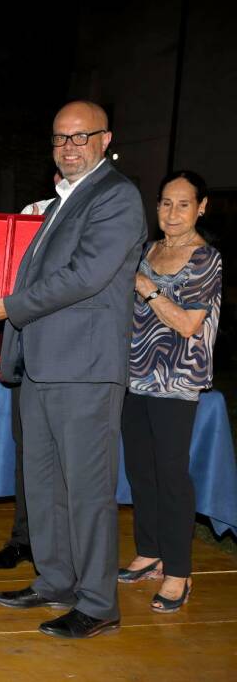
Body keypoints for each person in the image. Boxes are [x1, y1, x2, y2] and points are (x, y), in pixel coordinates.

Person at [0, 101, 145, 639]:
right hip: (44, 366)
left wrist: (7, 307)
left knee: (87, 490)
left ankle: (98, 603)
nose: (69, 147)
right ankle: (54, 580)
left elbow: (85, 276)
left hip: (86, 370)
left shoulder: (117, 196)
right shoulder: (59, 203)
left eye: (80, 137)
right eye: (60, 139)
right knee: (44, 485)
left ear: (104, 139)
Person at [118, 170, 220, 614]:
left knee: (172, 477)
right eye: (165, 202)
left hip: (177, 382)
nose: (172, 212)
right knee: (141, 471)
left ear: (201, 208)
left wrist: (147, 287)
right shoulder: (149, 250)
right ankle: (150, 551)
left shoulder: (206, 259)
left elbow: (187, 323)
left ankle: (179, 571)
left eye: (183, 204)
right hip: (134, 378)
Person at [0, 174, 60, 571]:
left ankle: (58, 551)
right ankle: (23, 539)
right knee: (27, 450)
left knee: (66, 458)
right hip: (29, 349)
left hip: (71, 355)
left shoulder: (98, 214)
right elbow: (3, 270)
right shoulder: (31, 213)